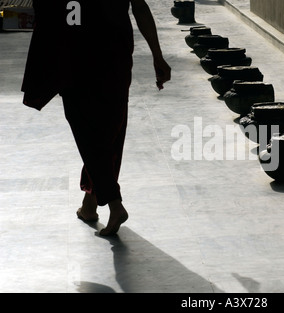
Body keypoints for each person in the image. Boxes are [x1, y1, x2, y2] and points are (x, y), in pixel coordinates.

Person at [21, 0, 171, 236]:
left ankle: (114, 203)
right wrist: (157, 55)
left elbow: (58, 12)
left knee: (88, 132)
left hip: (77, 57)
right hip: (116, 55)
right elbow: (140, 7)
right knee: (110, 131)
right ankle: (89, 205)